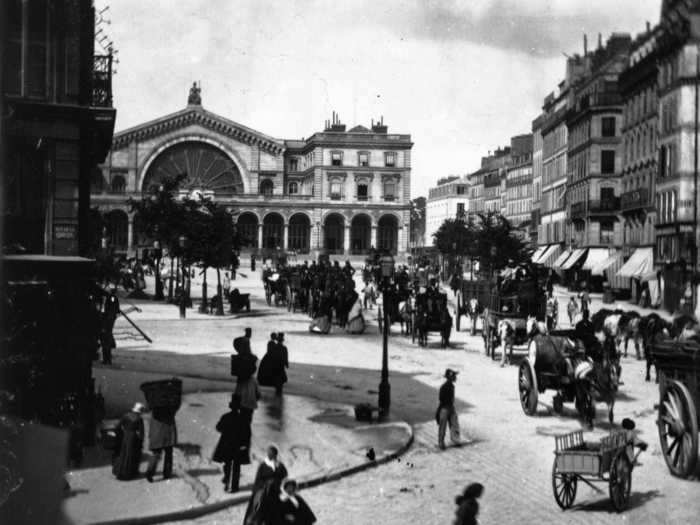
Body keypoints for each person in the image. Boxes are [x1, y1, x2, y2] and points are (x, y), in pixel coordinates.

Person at [213, 396, 251, 493]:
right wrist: (245, 445)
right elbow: (247, 434)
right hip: (238, 447)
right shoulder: (243, 419)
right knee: (236, 467)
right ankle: (234, 486)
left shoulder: (226, 416)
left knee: (227, 464)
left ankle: (227, 481)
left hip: (226, 445)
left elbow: (218, 427)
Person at [243, 445, 288, 525]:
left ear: (275, 455)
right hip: (263, 490)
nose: (269, 455)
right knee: (258, 505)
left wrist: (276, 482)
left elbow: (284, 476)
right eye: (268, 453)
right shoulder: (263, 465)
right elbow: (258, 478)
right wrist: (263, 485)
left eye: (271, 453)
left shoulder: (280, 465)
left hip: (275, 490)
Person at [112, 402, 145, 481]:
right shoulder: (139, 419)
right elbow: (141, 432)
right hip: (133, 437)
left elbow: (118, 426)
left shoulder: (126, 415)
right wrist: (141, 441)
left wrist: (120, 434)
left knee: (123, 453)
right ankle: (130, 472)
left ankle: (120, 471)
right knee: (131, 454)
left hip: (125, 436)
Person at [145, 405, 177, 482]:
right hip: (168, 435)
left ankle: (150, 473)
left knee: (155, 454)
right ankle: (167, 474)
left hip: (157, 435)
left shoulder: (154, 410)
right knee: (168, 455)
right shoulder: (170, 409)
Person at [436, 368, 460, 450]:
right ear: (450, 378)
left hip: (450, 407)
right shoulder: (444, 387)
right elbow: (441, 399)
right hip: (444, 408)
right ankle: (441, 442)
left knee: (454, 424)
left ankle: (455, 440)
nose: (455, 378)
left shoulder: (452, 386)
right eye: (454, 376)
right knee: (443, 426)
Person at [100, 283, 120, 365]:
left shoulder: (112, 298)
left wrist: (108, 319)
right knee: (104, 337)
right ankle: (106, 358)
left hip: (108, 320)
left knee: (106, 337)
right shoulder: (107, 297)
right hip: (105, 318)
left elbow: (112, 310)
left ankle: (107, 359)